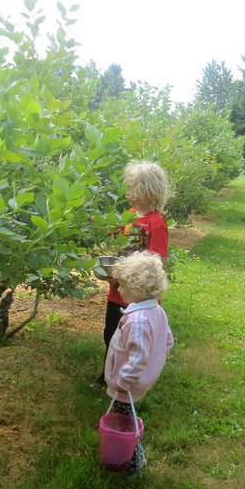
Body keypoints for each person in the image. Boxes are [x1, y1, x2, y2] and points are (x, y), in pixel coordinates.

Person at [95, 160, 170, 385]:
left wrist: (133, 275)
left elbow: (159, 262)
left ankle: (134, 375)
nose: (129, 193)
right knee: (112, 334)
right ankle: (108, 375)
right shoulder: (129, 215)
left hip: (140, 294)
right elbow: (115, 238)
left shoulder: (155, 223)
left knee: (136, 337)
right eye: (129, 188)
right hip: (118, 290)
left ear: (149, 190)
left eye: (134, 188)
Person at [104, 250, 174, 475]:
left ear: (137, 289)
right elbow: (168, 340)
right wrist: (158, 362)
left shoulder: (138, 320)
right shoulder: (156, 310)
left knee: (123, 423)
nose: (118, 289)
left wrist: (123, 382)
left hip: (127, 386)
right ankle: (134, 455)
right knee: (127, 418)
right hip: (139, 382)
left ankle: (132, 463)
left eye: (122, 285)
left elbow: (138, 357)